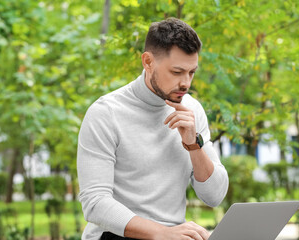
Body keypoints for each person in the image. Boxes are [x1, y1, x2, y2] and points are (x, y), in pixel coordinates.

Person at [77, 18, 229, 240]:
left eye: (191, 72)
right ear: (148, 62)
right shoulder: (106, 113)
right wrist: (163, 233)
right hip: (116, 235)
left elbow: (214, 197)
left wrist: (193, 145)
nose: (186, 83)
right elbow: (95, 203)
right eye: (177, 72)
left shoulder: (192, 110)